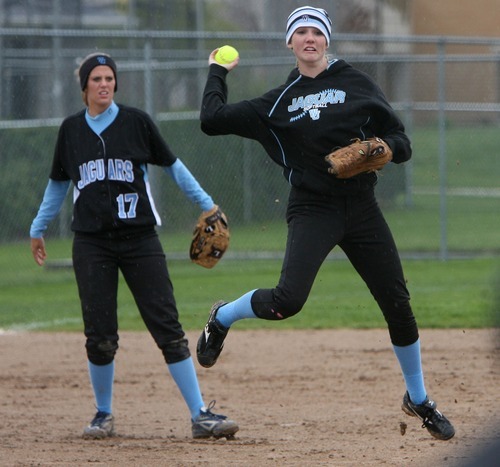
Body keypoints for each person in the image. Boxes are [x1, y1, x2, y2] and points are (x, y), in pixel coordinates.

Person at [197, 6, 455, 440]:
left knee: (397, 303)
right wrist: (217, 70)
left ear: (327, 40)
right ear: (290, 43)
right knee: (286, 301)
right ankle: (222, 317)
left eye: (317, 31)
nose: (309, 38)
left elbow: (402, 141)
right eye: (301, 32)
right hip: (313, 208)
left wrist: (385, 148)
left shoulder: (357, 83)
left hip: (362, 208)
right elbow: (211, 119)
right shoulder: (277, 103)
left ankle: (419, 399)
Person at [29, 52, 238, 440]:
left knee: (167, 327)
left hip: (139, 239)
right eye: (97, 79)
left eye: (109, 78)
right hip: (91, 244)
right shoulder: (71, 130)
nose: (104, 84)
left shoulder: (136, 122)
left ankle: (200, 414)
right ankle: (102, 414)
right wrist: (37, 228)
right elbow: (58, 184)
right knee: (100, 333)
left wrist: (207, 203)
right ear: (85, 87)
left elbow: (173, 166)